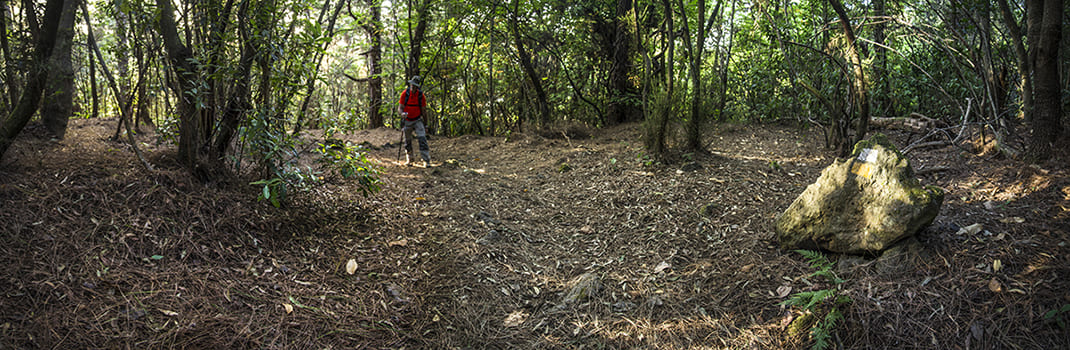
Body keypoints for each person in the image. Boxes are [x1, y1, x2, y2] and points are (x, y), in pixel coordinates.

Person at [398, 75, 431, 167]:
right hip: (407, 120)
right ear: (410, 84)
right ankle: (410, 159)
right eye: (412, 85)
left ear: (417, 87)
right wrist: (402, 114)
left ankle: (426, 160)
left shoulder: (421, 95)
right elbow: (400, 108)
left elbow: (424, 111)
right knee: (407, 141)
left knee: (422, 139)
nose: (413, 87)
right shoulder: (405, 94)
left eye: (415, 86)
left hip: (417, 119)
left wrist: (426, 125)